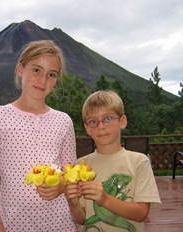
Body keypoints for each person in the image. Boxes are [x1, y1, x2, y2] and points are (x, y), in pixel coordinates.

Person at [0, 40, 77, 232]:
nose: (43, 80)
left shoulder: (64, 121)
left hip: (60, 223)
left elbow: (71, 174)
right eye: (36, 70)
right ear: (20, 69)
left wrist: (62, 184)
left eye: (51, 74)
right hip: (13, 224)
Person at [64, 90, 161, 232]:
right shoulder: (79, 166)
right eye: (93, 122)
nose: (101, 126)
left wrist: (105, 200)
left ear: (122, 121)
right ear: (87, 129)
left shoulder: (139, 161)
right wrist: (73, 204)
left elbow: (141, 213)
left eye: (108, 119)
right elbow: (82, 219)